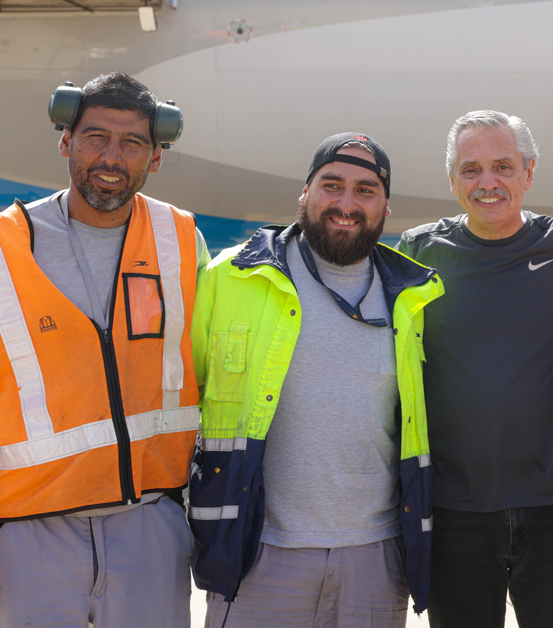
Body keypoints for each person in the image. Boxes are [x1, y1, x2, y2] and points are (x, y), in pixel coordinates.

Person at [0, 73, 209, 626]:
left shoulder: (180, 240)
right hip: (28, 536)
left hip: (150, 529)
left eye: (131, 143)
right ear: (66, 142)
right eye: (95, 138)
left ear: (154, 157)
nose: (111, 157)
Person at [190, 133, 443, 627]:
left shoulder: (414, 298)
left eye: (366, 191)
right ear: (304, 193)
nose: (347, 204)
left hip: (375, 557)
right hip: (256, 552)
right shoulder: (230, 279)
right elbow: (183, 399)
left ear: (386, 206)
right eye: (332, 185)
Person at [396, 111, 553, 628]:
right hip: (452, 511)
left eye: (503, 167)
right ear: (452, 180)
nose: (487, 183)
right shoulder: (418, 254)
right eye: (471, 170)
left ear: (528, 174)